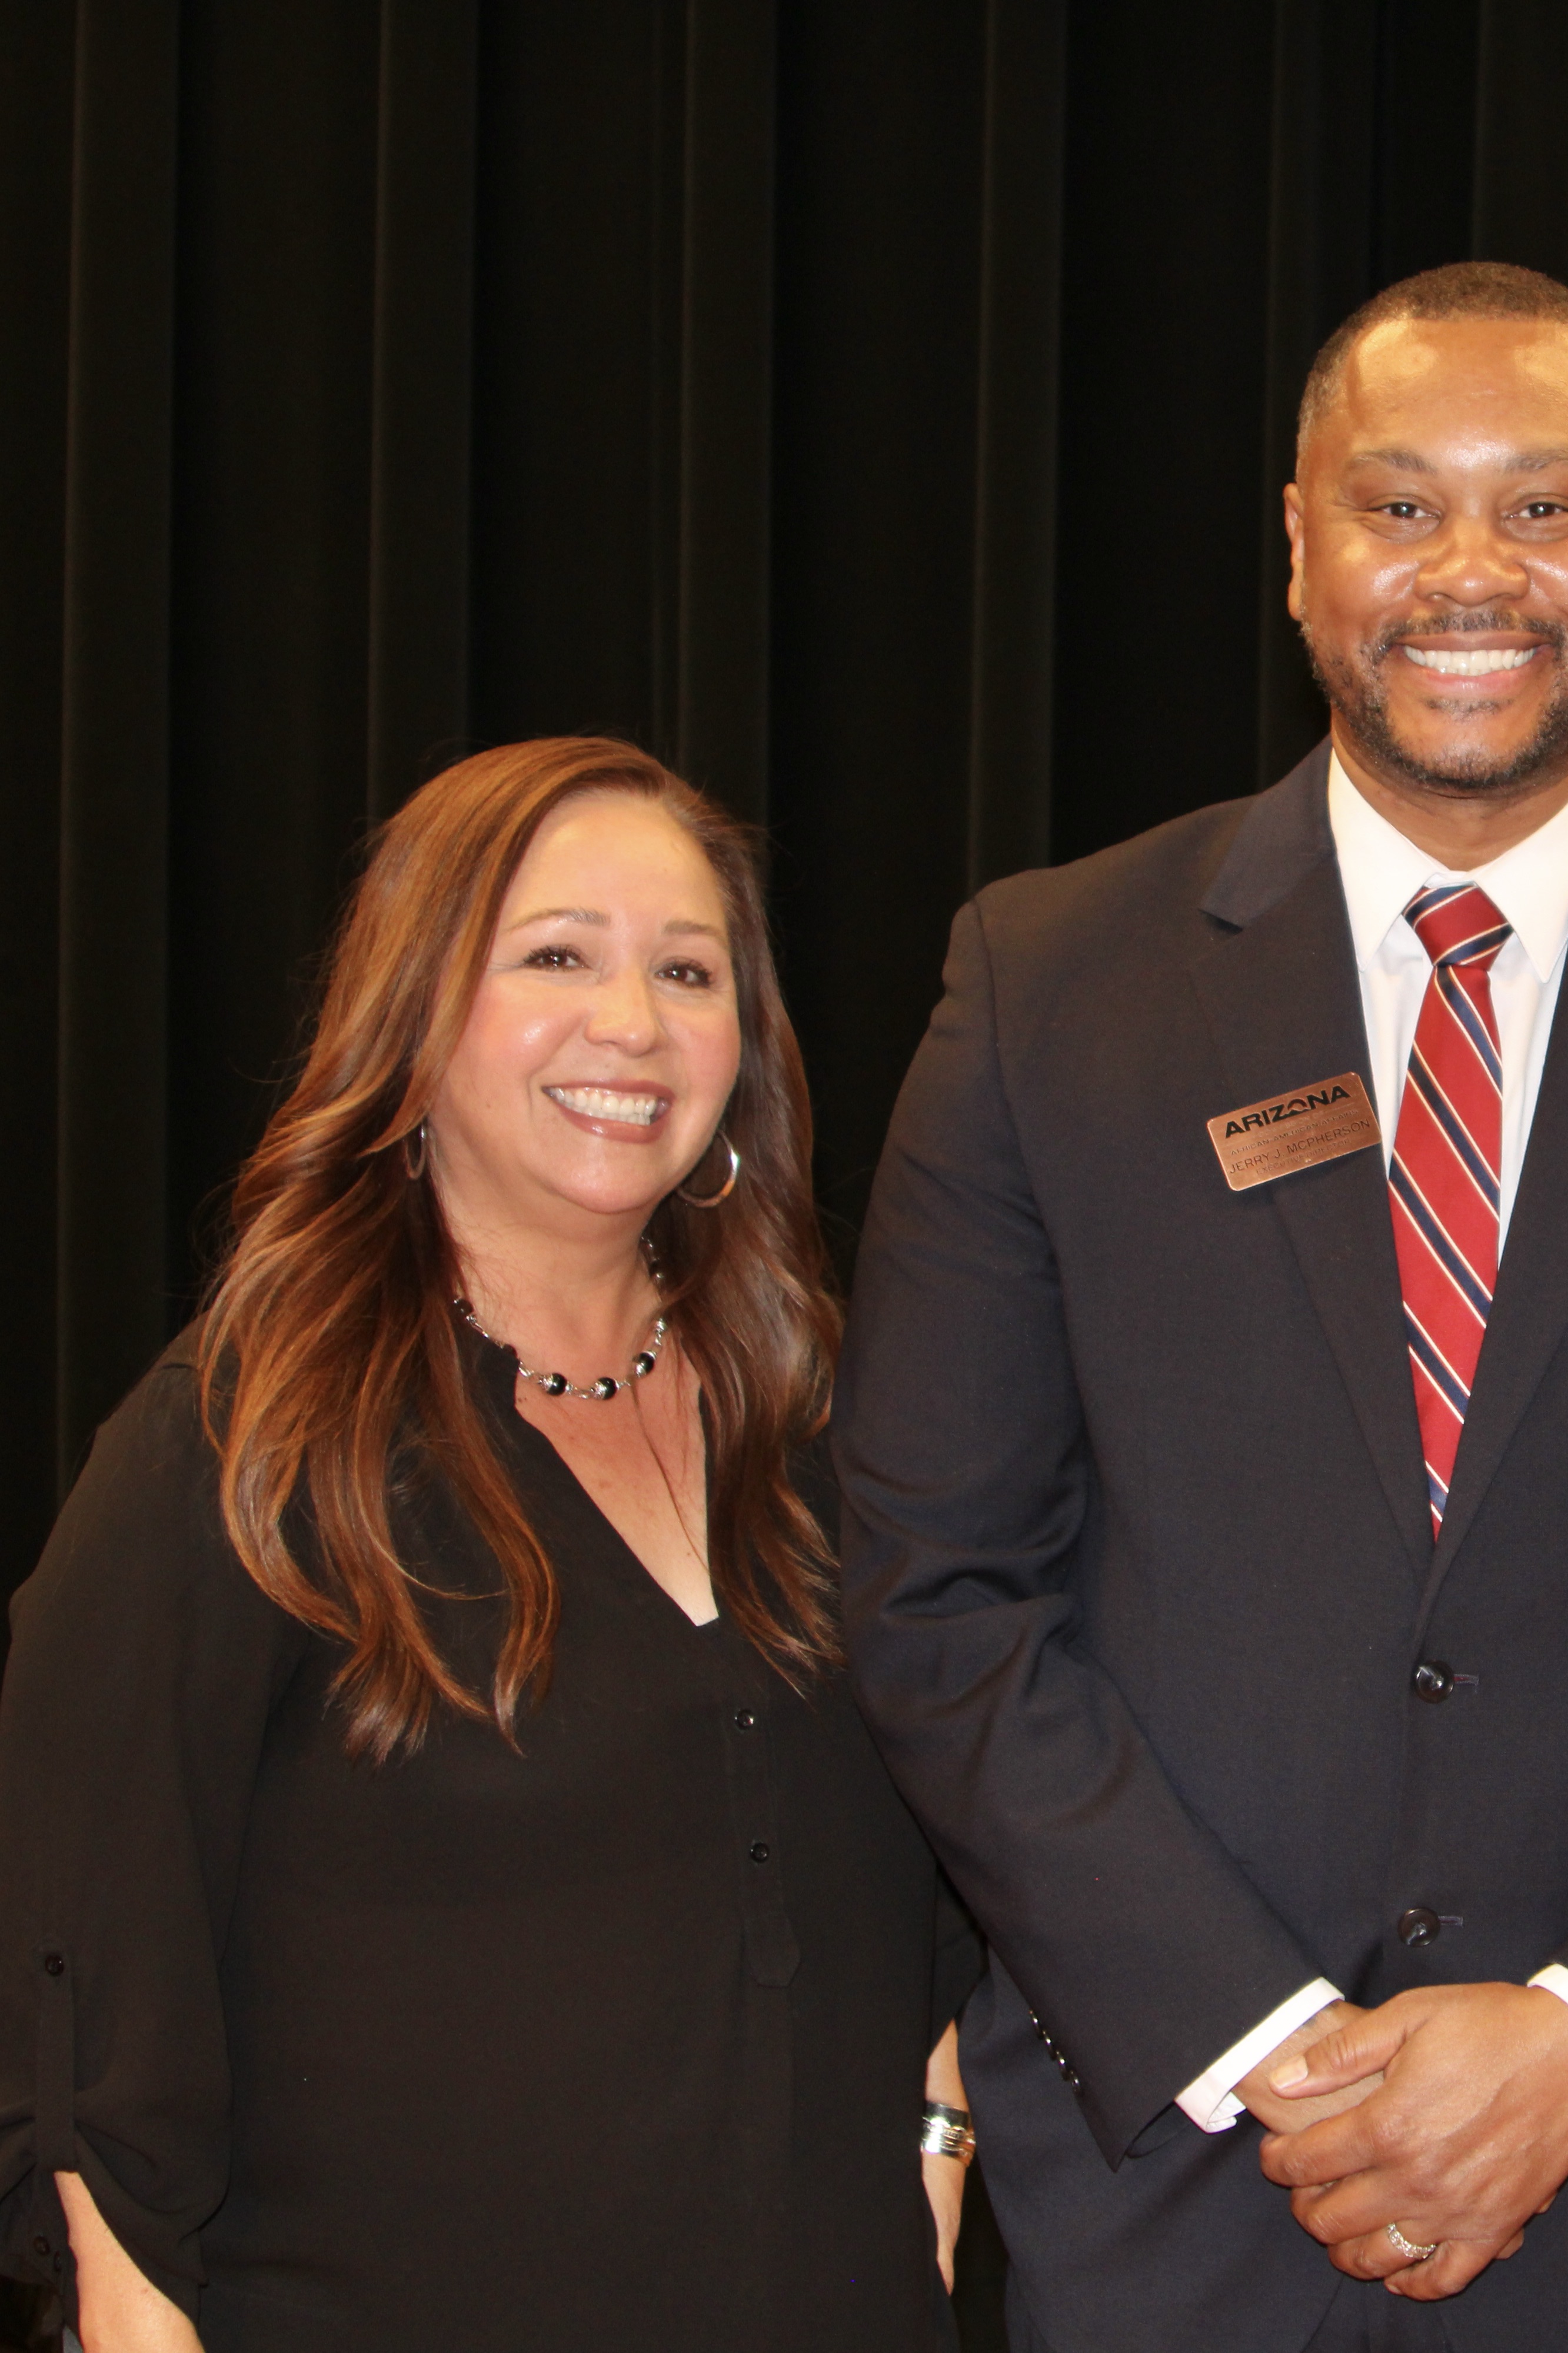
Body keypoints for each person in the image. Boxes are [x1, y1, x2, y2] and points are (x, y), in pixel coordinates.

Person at [834, 261, 1568, 2352]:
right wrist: (1279, 2047)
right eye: (1400, 508)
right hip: (1178, 2201)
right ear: (1295, 547)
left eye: (1546, 506)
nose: (1471, 572)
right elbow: (938, 1589)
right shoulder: (1048, 988)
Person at [0, 739, 981, 2352]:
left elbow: (953, 1835)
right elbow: (85, 1964)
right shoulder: (244, 1440)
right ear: (416, 1012)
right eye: (554, 957)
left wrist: (941, 2141)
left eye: (688, 969)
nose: (633, 1023)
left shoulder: (839, 1424)